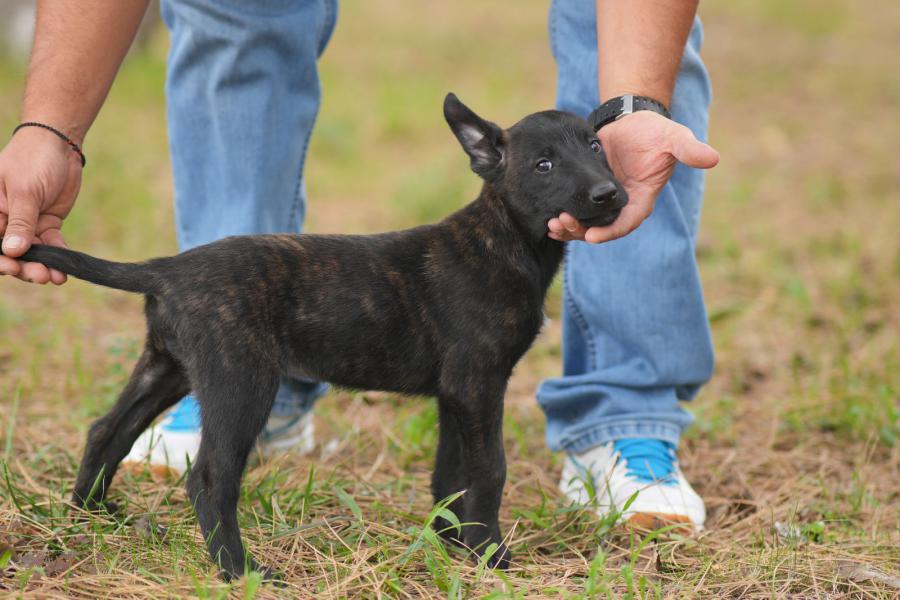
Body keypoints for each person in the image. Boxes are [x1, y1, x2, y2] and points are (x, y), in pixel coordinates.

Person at [0, 0, 717, 530]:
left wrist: (631, 106)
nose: (597, 175)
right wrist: (50, 128)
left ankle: (625, 415)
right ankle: (239, 395)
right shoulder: (475, 274)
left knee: (622, 37)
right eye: (550, 162)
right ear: (487, 162)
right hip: (251, 299)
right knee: (235, 16)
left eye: (594, 147)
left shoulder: (492, 264)